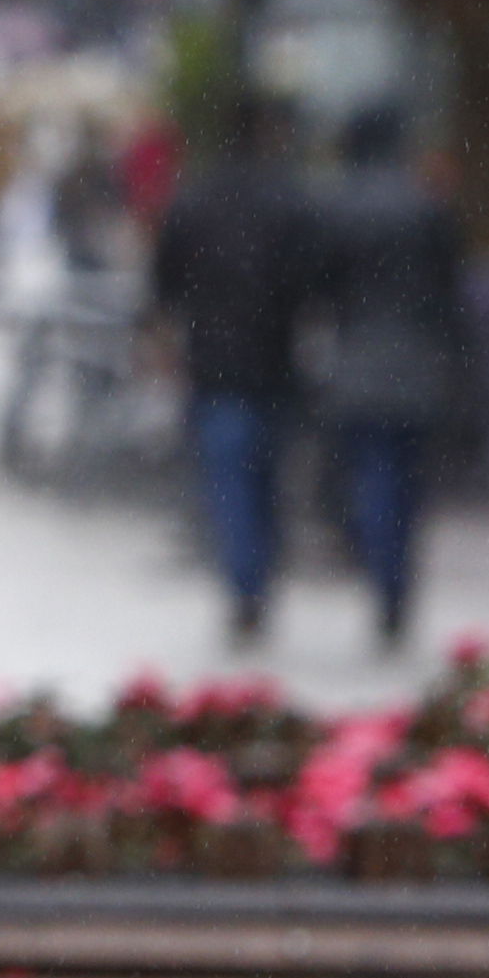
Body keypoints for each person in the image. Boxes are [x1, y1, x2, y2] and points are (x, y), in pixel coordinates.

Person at [147, 100, 321, 645]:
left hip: (215, 366)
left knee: (230, 484)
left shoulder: (195, 202)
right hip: (275, 364)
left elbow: (163, 284)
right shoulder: (291, 203)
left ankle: (245, 585)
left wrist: (161, 337)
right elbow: (313, 284)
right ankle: (257, 578)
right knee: (268, 480)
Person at [302, 101, 472, 651]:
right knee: (408, 482)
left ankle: (384, 584)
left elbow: (321, 289)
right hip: (418, 362)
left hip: (359, 362)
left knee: (371, 478)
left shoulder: (338, 207)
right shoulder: (427, 205)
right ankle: (398, 586)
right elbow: (452, 295)